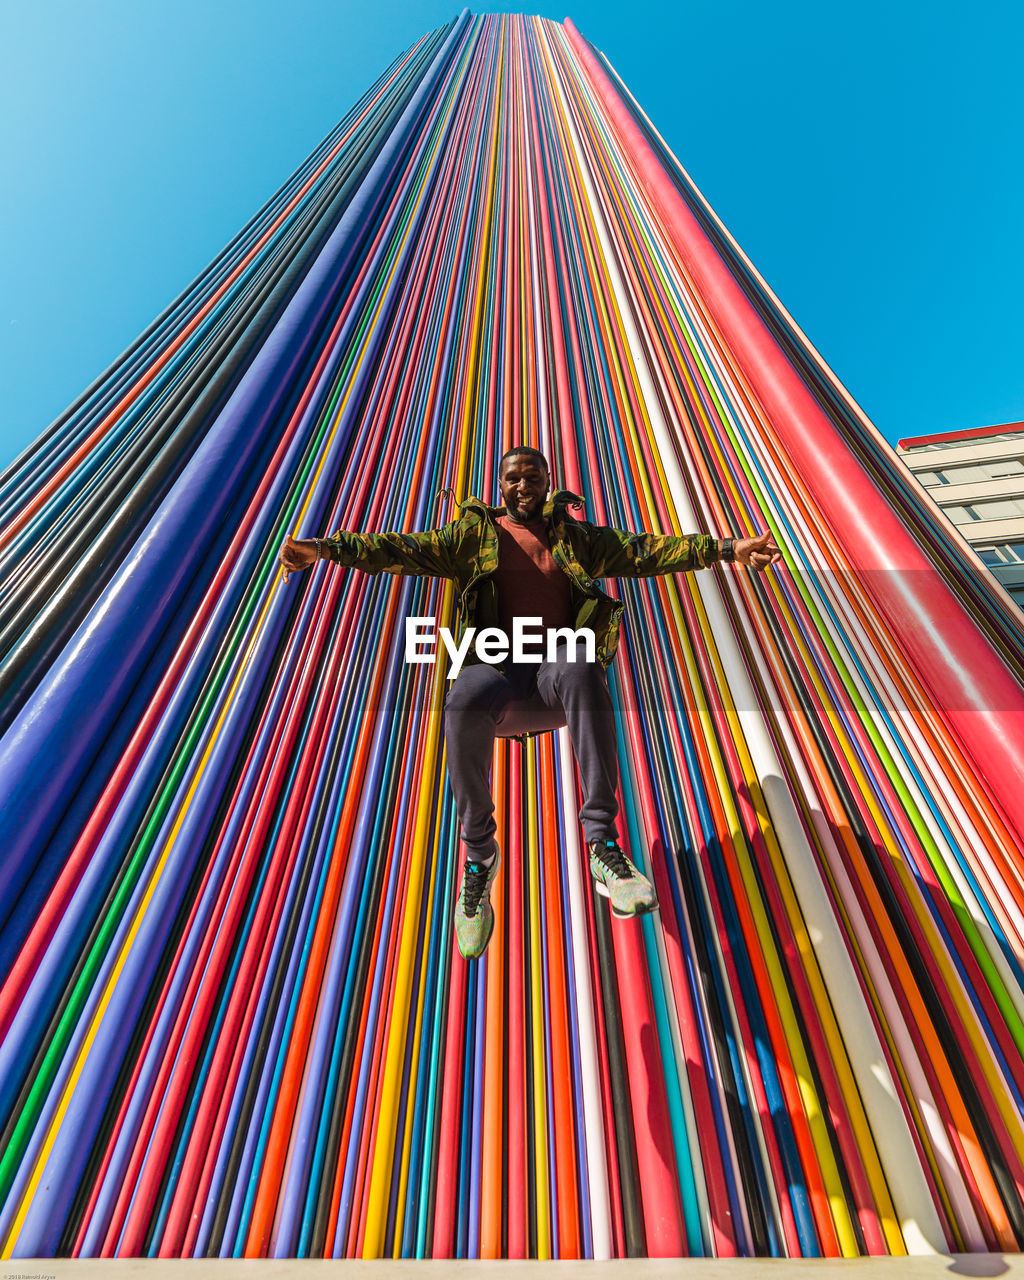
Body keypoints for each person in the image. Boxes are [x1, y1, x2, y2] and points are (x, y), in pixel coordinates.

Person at [279, 447, 782, 959]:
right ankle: (479, 858)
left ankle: (603, 846)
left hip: (554, 682)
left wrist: (727, 550)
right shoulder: (472, 537)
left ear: (547, 481)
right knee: (461, 701)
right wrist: (323, 548)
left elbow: (645, 550)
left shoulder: (575, 538)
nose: (523, 485)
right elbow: (396, 548)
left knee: (582, 662)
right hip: (497, 675)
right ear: (500, 485)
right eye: (513, 478)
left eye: (532, 476)